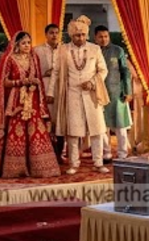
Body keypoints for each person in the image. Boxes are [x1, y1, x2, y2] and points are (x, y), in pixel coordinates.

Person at [0, 32, 60, 179]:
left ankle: (40, 168)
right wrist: (20, 82)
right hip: (16, 102)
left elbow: (37, 78)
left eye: (29, 43)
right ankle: (15, 168)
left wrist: (36, 82)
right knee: (16, 132)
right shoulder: (9, 59)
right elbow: (3, 83)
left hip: (33, 101)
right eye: (24, 43)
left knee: (36, 131)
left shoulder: (34, 58)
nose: (27, 46)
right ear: (16, 44)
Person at [47, 16, 110, 175]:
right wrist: (50, 92)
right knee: (73, 132)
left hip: (91, 94)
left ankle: (98, 162)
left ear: (87, 35)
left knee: (96, 130)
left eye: (82, 35)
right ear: (71, 36)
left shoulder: (95, 49)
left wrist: (93, 83)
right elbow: (55, 72)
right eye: (76, 35)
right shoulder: (63, 50)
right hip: (72, 94)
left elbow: (103, 70)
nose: (80, 38)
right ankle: (73, 163)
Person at [93, 26, 132, 161]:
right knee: (102, 126)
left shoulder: (117, 50)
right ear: (95, 38)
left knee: (120, 125)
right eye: (100, 37)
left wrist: (127, 91)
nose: (103, 39)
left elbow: (125, 71)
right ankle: (107, 153)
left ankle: (122, 154)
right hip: (99, 94)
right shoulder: (93, 51)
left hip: (117, 94)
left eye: (106, 36)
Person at [35, 24, 64, 161]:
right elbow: (32, 71)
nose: (54, 35)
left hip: (62, 88)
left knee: (61, 121)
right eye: (51, 32)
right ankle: (47, 153)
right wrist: (44, 73)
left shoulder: (64, 50)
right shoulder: (37, 51)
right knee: (48, 121)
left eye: (57, 33)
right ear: (46, 35)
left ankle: (59, 154)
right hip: (45, 87)